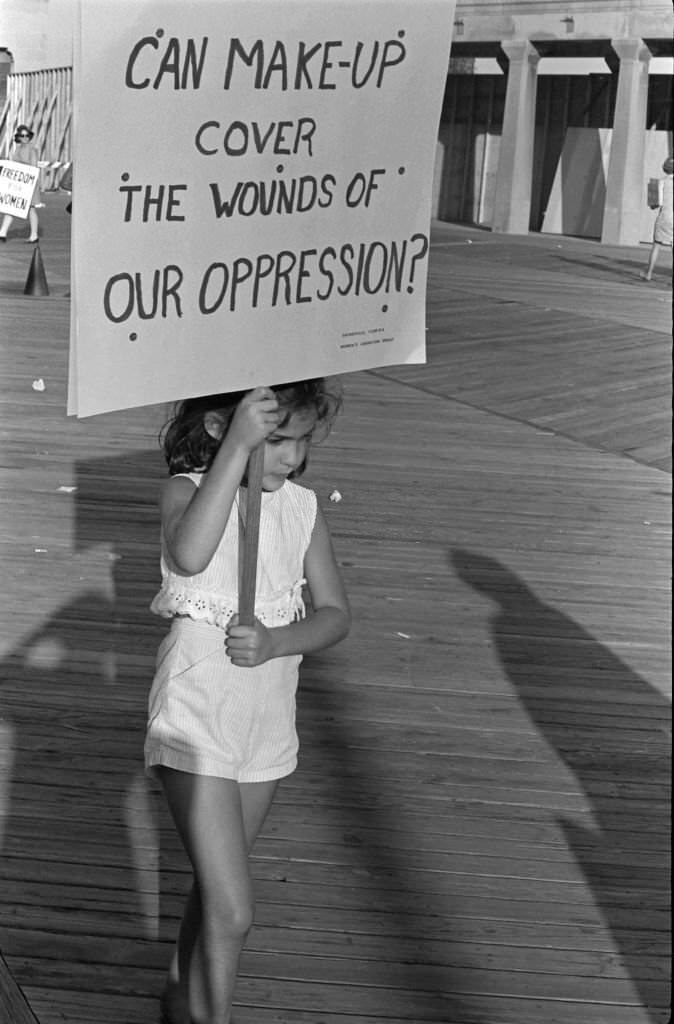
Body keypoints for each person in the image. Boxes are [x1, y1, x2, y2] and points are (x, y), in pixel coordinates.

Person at [145, 380, 350, 1024]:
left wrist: (278, 639)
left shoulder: (302, 509)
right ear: (219, 428)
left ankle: (181, 1000)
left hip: (266, 720)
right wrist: (239, 446)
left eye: (301, 442)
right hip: (195, 715)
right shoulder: (184, 492)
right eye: (278, 440)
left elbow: (336, 615)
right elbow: (190, 553)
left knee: (213, 894)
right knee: (235, 909)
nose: (290, 458)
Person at [0, 124, 42, 243]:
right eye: (22, 135)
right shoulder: (18, 148)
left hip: (28, 183)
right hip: (18, 183)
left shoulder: (32, 149)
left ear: (29, 136)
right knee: (12, 206)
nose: (25, 137)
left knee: (31, 209)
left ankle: (34, 235)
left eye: (27, 135)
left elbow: (33, 166)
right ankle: (2, 232)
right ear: (18, 136)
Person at [641, 156, 674, 282]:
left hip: (664, 217)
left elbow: (655, 204)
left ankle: (648, 273)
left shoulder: (660, 182)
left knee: (656, 245)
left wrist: (652, 205)